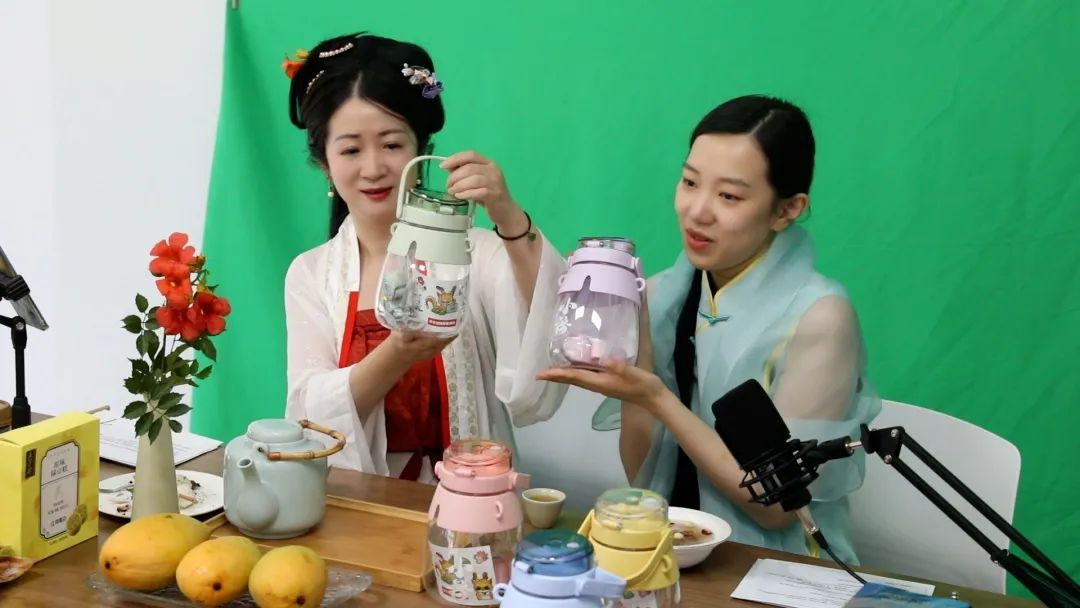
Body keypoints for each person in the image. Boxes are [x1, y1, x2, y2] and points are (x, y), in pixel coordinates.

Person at [538, 95, 881, 563]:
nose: (697, 211)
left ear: (787, 209)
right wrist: (637, 344)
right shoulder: (662, 294)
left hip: (782, 568)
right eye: (690, 182)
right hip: (678, 552)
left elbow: (777, 507)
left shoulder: (821, 317)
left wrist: (655, 396)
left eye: (729, 196)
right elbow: (644, 475)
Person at [283, 32, 568, 482]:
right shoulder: (312, 274)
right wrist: (397, 353)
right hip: (360, 505)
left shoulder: (478, 251)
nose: (374, 168)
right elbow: (311, 415)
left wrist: (508, 214)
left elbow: (553, 326)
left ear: (422, 149)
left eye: (392, 144)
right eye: (351, 149)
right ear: (325, 163)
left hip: (473, 501)